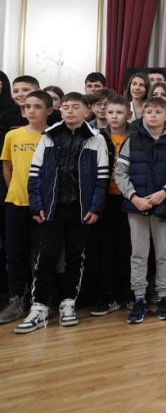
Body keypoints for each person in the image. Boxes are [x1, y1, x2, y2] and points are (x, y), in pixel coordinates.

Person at [15, 93, 110, 334]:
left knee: (75, 258)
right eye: (65, 107)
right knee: (46, 257)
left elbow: (102, 178)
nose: (69, 111)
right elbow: (35, 175)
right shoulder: (49, 136)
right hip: (52, 208)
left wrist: (95, 208)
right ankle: (39, 306)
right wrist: (37, 205)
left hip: (80, 210)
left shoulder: (96, 138)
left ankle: (68, 303)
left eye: (75, 107)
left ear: (86, 111)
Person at [115, 96, 166, 325]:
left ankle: (163, 297)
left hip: (163, 206)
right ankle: (139, 298)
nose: (153, 116)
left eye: (158, 112)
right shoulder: (132, 139)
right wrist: (133, 197)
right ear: (143, 115)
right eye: (149, 112)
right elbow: (120, 173)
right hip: (137, 206)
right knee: (138, 254)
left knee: (163, 254)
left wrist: (163, 193)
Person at [0, 90, 51, 325]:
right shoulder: (13, 135)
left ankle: (40, 298)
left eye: (37, 107)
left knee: (41, 254)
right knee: (15, 253)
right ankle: (16, 299)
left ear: (49, 110)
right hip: (15, 204)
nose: (31, 111)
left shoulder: (53, 136)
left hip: (43, 206)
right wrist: (15, 190)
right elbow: (7, 167)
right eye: (28, 106)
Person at [90, 94, 135, 316]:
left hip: (130, 199)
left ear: (129, 114)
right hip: (106, 199)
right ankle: (110, 296)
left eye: (119, 112)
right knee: (106, 248)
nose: (114, 116)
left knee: (129, 248)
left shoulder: (137, 137)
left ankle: (131, 293)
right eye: (110, 112)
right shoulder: (97, 137)